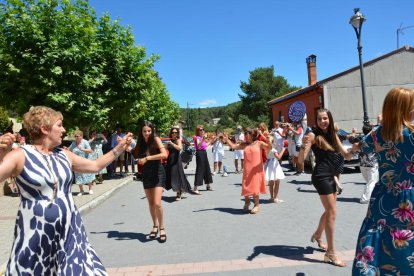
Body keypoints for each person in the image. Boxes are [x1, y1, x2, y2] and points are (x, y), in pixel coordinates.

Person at [0, 106, 132, 275]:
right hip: (36, 233)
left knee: (77, 270)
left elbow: (95, 166)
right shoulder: (20, 155)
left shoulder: (63, 154)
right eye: (60, 125)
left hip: (69, 228)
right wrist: (1, 153)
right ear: (44, 129)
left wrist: (119, 148)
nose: (64, 130)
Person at [351, 88, 414, 275]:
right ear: (406, 108)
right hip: (409, 196)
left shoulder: (377, 134)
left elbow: (356, 148)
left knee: (380, 238)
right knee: (405, 240)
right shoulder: (412, 134)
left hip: (383, 196)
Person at [298, 108, 353, 267]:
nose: (323, 121)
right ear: (316, 121)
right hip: (321, 176)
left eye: (325, 118)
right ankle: (330, 253)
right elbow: (301, 160)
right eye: (320, 119)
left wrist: (356, 149)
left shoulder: (333, 135)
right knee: (332, 211)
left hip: (332, 175)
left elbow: (346, 155)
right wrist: (304, 144)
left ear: (330, 119)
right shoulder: (313, 135)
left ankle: (317, 235)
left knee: (330, 210)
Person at [134, 121, 168, 243]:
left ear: (152, 130)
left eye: (149, 130)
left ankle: (162, 228)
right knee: (151, 203)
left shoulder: (156, 139)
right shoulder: (141, 142)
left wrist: (148, 158)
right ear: (141, 132)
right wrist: (126, 147)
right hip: (146, 174)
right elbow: (135, 155)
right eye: (144, 131)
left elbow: (164, 155)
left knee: (157, 203)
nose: (147, 133)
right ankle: (155, 225)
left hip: (158, 173)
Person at [225, 128, 271, 214]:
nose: (245, 135)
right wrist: (226, 139)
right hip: (247, 169)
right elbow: (233, 146)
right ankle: (247, 202)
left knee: (255, 187)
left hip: (256, 170)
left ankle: (256, 205)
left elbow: (269, 148)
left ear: (252, 135)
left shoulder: (259, 143)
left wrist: (268, 140)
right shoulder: (244, 144)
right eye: (245, 134)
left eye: (247, 134)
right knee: (245, 185)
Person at [165, 127, 192, 201]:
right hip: (170, 159)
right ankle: (180, 189)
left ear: (177, 134)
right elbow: (165, 149)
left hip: (176, 160)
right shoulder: (170, 141)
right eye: (173, 132)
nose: (174, 134)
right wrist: (166, 145)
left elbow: (180, 148)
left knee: (176, 176)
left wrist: (172, 144)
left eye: (175, 132)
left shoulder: (178, 140)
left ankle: (178, 193)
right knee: (172, 176)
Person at [69, 130, 96, 195]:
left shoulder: (85, 142)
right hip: (77, 163)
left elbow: (90, 150)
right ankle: (81, 190)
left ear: (81, 136)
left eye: (77, 136)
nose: (76, 137)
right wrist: (66, 149)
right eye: (75, 136)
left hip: (85, 161)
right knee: (78, 175)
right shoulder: (73, 143)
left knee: (88, 174)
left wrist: (82, 149)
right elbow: (70, 149)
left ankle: (90, 189)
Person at [358, 124, 379, 204]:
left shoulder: (361, 139)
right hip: (372, 163)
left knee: (370, 182)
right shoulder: (371, 139)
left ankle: (371, 196)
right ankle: (365, 198)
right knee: (371, 181)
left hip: (362, 163)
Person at [192, 125, 214, 194]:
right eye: (200, 130)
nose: (202, 131)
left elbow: (206, 145)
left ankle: (208, 185)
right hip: (199, 153)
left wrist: (212, 140)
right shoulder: (197, 137)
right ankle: (195, 188)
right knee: (200, 169)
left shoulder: (201, 137)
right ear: (197, 131)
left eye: (203, 129)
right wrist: (203, 139)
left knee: (207, 168)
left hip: (204, 153)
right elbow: (198, 145)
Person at [264, 136, 286, 203]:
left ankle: (271, 197)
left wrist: (276, 147)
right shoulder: (273, 150)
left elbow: (271, 152)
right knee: (277, 182)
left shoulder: (266, 149)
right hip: (274, 165)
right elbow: (278, 157)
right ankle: (276, 198)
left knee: (271, 182)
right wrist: (283, 150)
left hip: (269, 165)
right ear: (273, 142)